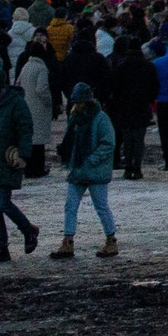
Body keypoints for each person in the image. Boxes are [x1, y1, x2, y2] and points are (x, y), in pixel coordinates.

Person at [52, 82, 119, 258]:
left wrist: (90, 160)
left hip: (89, 169)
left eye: (80, 102)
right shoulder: (79, 117)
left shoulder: (100, 118)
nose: (78, 105)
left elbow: (108, 144)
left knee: (99, 206)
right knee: (72, 206)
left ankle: (110, 240)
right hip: (82, 168)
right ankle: (69, 241)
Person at [0, 60, 37, 260]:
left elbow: (25, 128)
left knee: (2, 203)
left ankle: (27, 230)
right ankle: (1, 247)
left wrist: (23, 155)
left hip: (8, 160)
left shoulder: (15, 102)